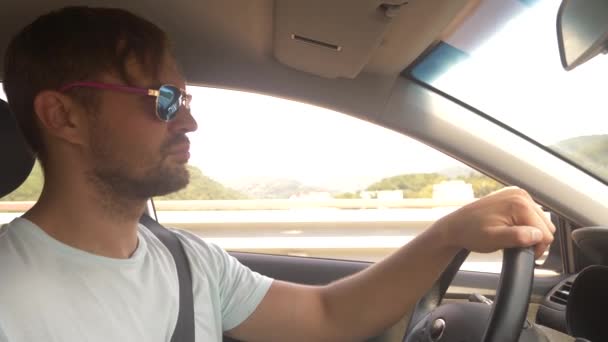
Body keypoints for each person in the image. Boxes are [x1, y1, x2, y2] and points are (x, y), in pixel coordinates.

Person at [0, 6, 554, 342]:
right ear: (63, 116)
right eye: (165, 99)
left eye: (186, 97)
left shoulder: (189, 260)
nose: (190, 119)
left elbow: (326, 312)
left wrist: (449, 233)